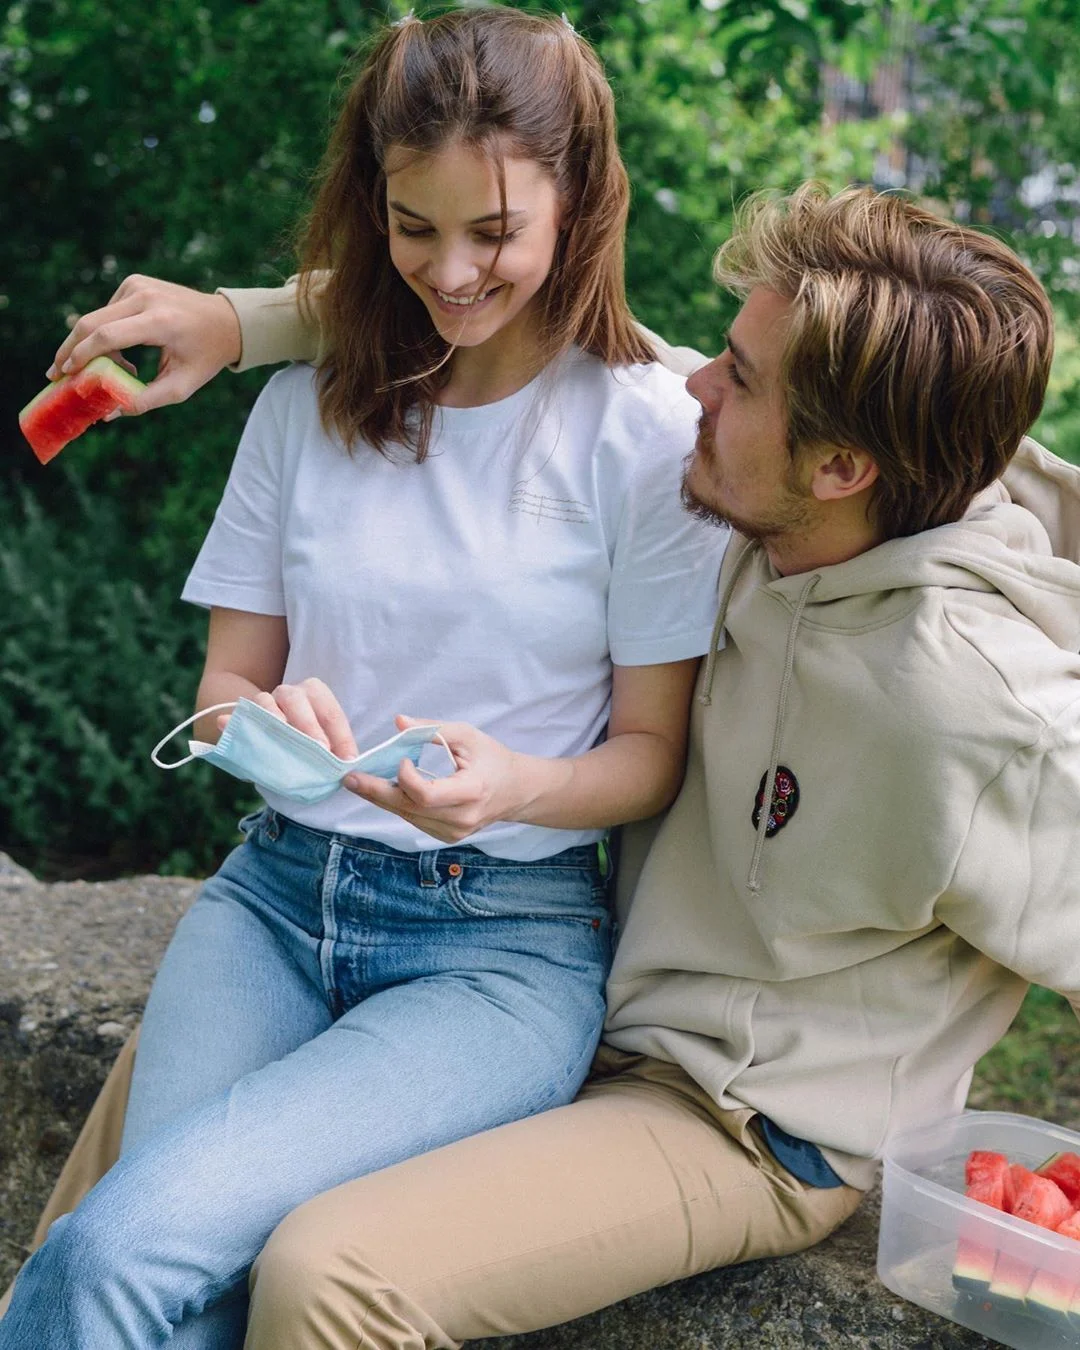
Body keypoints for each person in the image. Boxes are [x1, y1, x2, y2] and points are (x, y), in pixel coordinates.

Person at [6, 188, 1078, 1349]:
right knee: (154, 1182)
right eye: (727, 353)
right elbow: (498, 311)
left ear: (842, 468)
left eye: (740, 377)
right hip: (561, 988)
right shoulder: (754, 480)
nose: (693, 387)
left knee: (325, 1271)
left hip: (735, 1114)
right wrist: (236, 320)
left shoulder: (984, 706)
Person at [0, 10, 726, 1349]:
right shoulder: (307, 404)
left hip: (499, 950)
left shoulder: (644, 434)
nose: (451, 271)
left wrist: (519, 782)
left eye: (494, 230)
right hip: (273, 902)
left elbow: (650, 753)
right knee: (164, 1278)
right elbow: (226, 684)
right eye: (413, 226)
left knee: (117, 1252)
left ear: (581, 203)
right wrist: (267, 725)